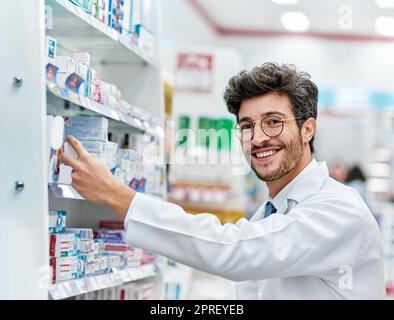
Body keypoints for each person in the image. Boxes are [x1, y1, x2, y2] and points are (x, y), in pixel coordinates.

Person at [62, 63, 385, 299]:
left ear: (307, 129)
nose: (258, 138)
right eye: (247, 126)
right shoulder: (274, 212)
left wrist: (120, 196)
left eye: (273, 122)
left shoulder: (337, 210)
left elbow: (235, 251)